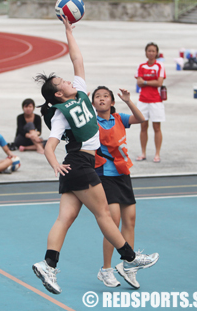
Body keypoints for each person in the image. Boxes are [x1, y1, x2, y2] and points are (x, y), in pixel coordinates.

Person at [32, 16, 159, 295]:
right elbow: (50, 146)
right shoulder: (61, 116)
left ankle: (48, 264)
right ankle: (129, 258)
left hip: (73, 166)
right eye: (61, 81)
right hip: (80, 164)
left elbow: (77, 59)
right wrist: (54, 164)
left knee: (65, 219)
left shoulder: (77, 93)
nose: (68, 79)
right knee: (104, 213)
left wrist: (68, 31)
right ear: (57, 92)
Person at [92, 86, 150, 289]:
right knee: (113, 222)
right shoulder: (92, 122)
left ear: (111, 102)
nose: (102, 99)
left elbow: (141, 119)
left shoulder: (119, 118)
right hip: (104, 175)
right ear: (93, 103)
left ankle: (129, 265)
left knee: (130, 220)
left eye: (105, 96)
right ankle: (106, 269)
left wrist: (128, 100)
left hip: (123, 173)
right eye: (98, 97)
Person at [135, 42, 166, 163]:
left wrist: (146, 82)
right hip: (143, 100)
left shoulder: (160, 66)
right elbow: (138, 82)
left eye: (153, 51)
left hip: (156, 100)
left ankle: (157, 153)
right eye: (149, 51)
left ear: (157, 53)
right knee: (143, 126)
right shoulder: (141, 66)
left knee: (157, 127)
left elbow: (159, 83)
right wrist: (149, 81)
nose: (151, 53)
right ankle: (143, 152)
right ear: (146, 52)